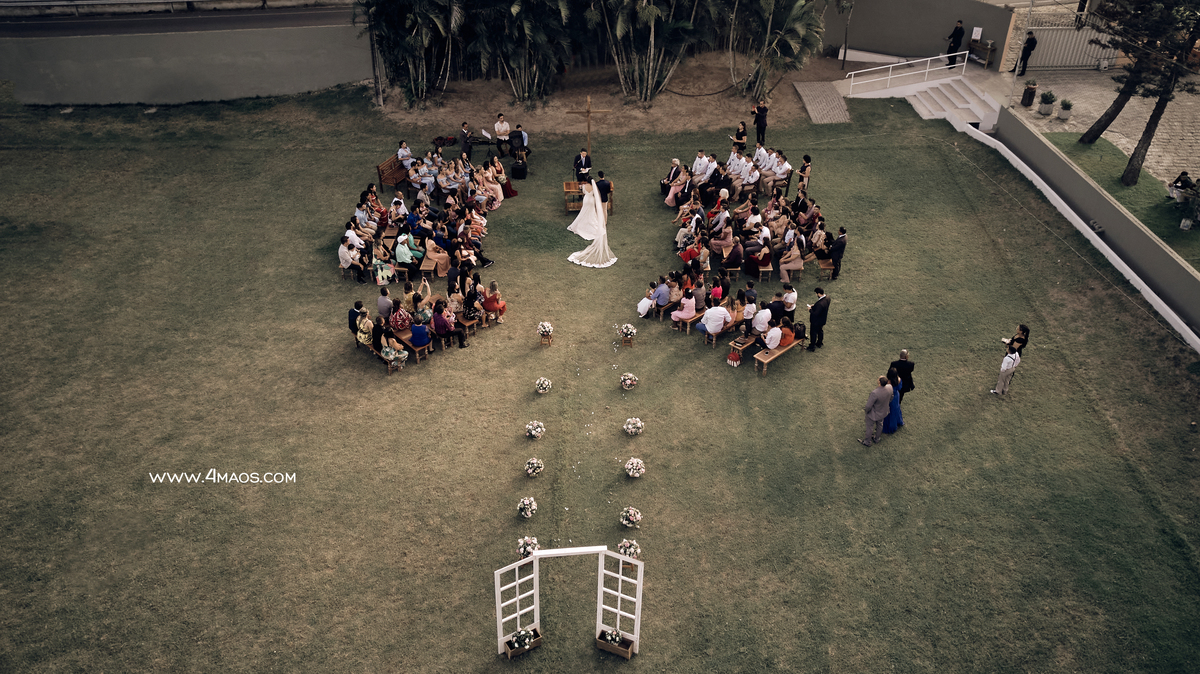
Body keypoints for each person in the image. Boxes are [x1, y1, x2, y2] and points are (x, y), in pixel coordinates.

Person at [567, 179, 617, 268]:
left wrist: (582, 187)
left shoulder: (584, 186)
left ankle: (583, 223)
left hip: (587, 199)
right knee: (592, 213)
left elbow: (583, 192)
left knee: (584, 211)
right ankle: (591, 223)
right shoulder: (594, 187)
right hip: (592, 200)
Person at [861, 375, 893, 447]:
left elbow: (868, 406)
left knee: (870, 427)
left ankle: (867, 442)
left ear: (879, 382)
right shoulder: (890, 387)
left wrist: (867, 411)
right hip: (883, 412)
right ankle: (877, 438)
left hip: (873, 414)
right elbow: (891, 397)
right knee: (880, 425)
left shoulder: (875, 393)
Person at [882, 368, 904, 434]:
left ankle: (891, 426)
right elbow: (900, 387)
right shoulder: (899, 379)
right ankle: (898, 421)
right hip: (896, 396)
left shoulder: (888, 382)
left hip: (890, 398)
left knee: (890, 411)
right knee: (896, 409)